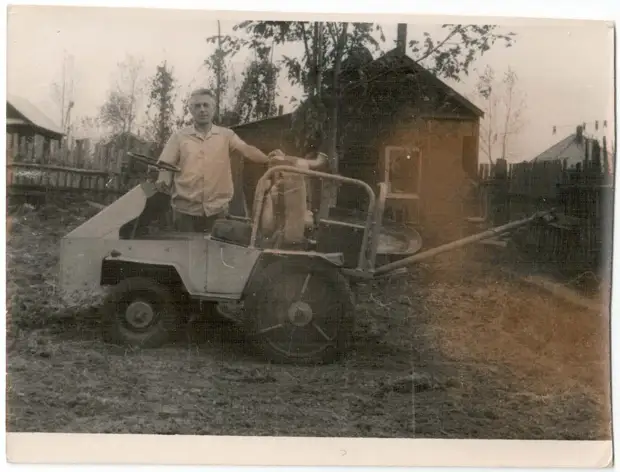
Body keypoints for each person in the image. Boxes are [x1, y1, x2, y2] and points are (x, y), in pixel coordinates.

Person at [155, 88, 274, 233]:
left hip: (218, 211)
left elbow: (247, 149)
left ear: (213, 109)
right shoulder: (179, 137)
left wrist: (268, 159)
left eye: (206, 105)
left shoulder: (226, 135)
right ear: (191, 110)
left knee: (218, 253)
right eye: (197, 106)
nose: (202, 110)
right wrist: (163, 180)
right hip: (185, 212)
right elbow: (166, 166)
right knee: (186, 254)